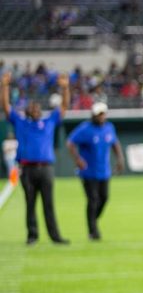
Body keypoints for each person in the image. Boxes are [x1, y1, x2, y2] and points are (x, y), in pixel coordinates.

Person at [1, 71, 71, 245]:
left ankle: (55, 236)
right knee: (30, 203)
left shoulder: (49, 121)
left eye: (37, 107)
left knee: (49, 204)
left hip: (46, 168)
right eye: (32, 107)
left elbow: (64, 107)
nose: (35, 109)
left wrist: (65, 88)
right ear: (27, 111)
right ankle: (32, 236)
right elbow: (6, 107)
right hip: (27, 169)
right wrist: (5, 86)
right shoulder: (21, 122)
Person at [66, 102, 125, 241]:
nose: (101, 116)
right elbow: (70, 143)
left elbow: (115, 143)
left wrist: (120, 159)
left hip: (104, 171)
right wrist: (77, 159)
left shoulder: (109, 128)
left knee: (104, 198)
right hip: (88, 171)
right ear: (93, 115)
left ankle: (92, 220)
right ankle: (93, 231)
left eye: (103, 114)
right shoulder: (85, 129)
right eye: (99, 114)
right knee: (93, 200)